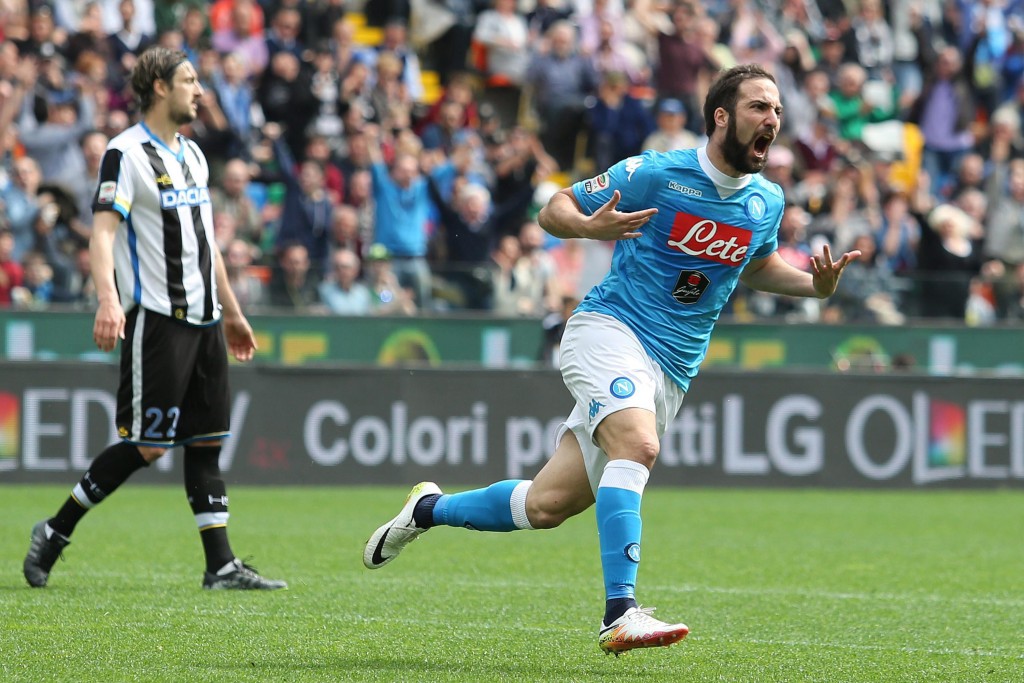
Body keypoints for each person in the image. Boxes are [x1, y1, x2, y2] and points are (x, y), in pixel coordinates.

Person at [362, 64, 860, 654]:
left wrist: (814, 288)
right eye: (758, 107)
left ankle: (427, 509)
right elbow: (554, 207)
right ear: (721, 116)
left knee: (546, 506)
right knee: (638, 447)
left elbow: (755, 265)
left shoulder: (766, 201)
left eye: (776, 110)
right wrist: (584, 225)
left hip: (671, 371)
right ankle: (619, 612)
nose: (772, 120)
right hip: (609, 330)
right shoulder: (657, 173)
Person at [22, 46, 286, 592]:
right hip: (159, 320)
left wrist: (232, 314)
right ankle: (54, 530)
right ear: (160, 87)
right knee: (147, 445)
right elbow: (102, 233)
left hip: (207, 319)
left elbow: (208, 245)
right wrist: (108, 299)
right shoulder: (125, 154)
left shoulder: (193, 155)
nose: (200, 90)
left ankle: (221, 566)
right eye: (190, 80)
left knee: (207, 441)